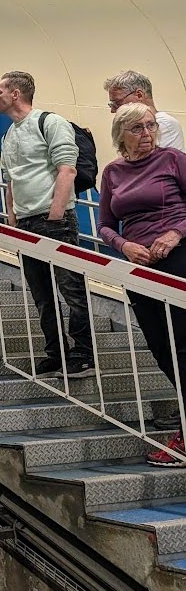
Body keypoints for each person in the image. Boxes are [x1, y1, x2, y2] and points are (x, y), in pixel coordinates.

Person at [98, 103, 186, 466]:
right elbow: (104, 225)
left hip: (179, 258)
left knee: (184, 347)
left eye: (150, 126)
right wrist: (124, 245)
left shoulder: (173, 160)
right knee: (162, 349)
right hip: (139, 267)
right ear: (121, 135)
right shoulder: (113, 172)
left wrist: (175, 232)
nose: (147, 133)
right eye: (137, 128)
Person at [0, 71, 94, 377]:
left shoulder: (50, 122)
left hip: (55, 220)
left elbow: (67, 170)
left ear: (15, 93)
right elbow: (11, 180)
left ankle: (83, 353)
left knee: (71, 288)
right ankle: (56, 351)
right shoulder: (8, 135)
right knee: (41, 294)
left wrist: (55, 214)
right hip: (24, 223)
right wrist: (11, 219)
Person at [104, 71, 185, 151]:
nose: (113, 110)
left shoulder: (164, 124)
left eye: (117, 102)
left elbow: (150, 162)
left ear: (139, 95)